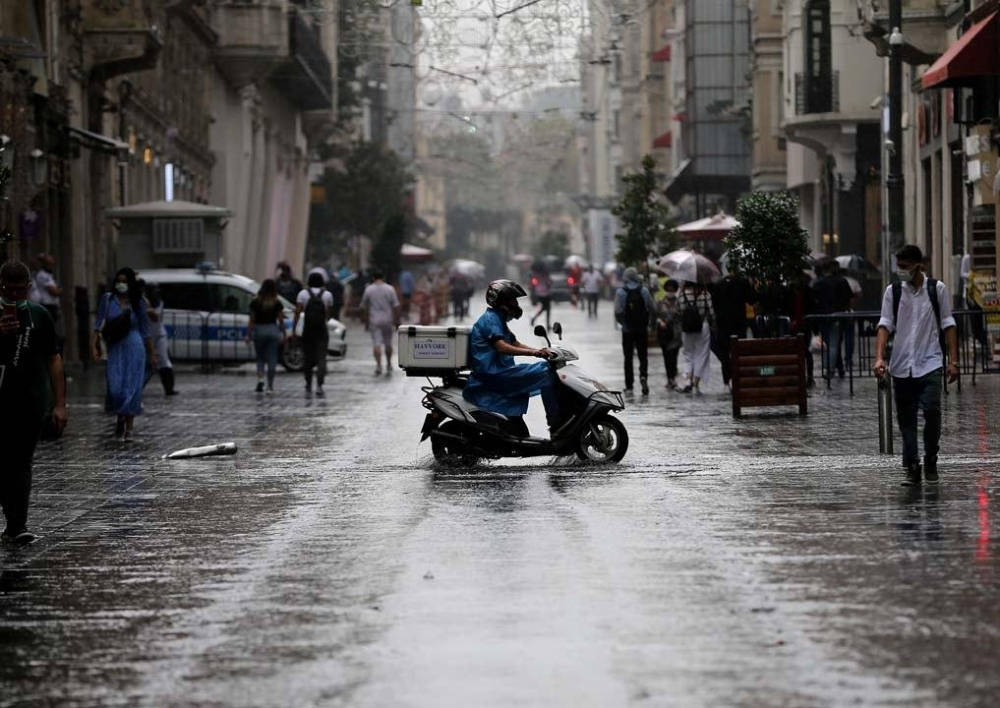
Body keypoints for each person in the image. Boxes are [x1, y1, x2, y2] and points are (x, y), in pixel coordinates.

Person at [874, 244, 959, 486]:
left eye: (904, 267)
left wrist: (953, 361)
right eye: (898, 266)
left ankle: (931, 456)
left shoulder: (937, 289)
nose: (900, 271)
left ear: (917, 265)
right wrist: (879, 357)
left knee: (932, 411)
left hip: (930, 362)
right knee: (907, 420)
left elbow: (948, 324)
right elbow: (884, 325)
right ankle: (912, 466)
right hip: (902, 366)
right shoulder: (893, 292)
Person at [0, 261, 67, 546]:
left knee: (21, 462)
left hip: (30, 400)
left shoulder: (39, 315)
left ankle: (18, 525)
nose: (14, 296)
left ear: (29, 287)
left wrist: (60, 404)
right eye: (8, 290)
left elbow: (53, 359)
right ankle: (12, 521)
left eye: (20, 290)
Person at [463, 280, 561, 436]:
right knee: (547, 373)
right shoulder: (491, 319)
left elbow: (514, 342)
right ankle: (556, 425)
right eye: (513, 300)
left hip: (501, 371)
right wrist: (534, 353)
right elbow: (501, 347)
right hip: (494, 374)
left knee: (546, 369)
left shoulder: (497, 318)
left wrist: (539, 350)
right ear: (502, 301)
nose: (516, 304)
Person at [92, 267, 156, 441]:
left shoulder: (139, 303)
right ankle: (120, 414)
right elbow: (98, 325)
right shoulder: (107, 299)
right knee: (115, 387)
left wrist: (152, 354)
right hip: (115, 346)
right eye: (119, 281)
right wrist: (94, 346)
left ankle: (129, 428)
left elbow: (145, 330)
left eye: (125, 282)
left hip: (135, 346)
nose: (121, 285)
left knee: (132, 386)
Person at [710, 268, 755, 388]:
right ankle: (739, 378)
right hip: (739, 322)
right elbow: (751, 300)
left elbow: (714, 305)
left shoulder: (718, 284)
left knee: (725, 353)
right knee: (739, 352)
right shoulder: (743, 282)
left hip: (723, 323)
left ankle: (727, 382)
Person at [614, 267, 655, 395]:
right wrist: (650, 324)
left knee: (628, 357)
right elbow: (652, 308)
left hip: (627, 331)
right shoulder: (644, 291)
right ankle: (643, 376)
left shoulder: (620, 292)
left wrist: (624, 324)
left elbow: (617, 311)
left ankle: (629, 385)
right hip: (642, 329)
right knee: (643, 356)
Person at [812, 262, 854, 382]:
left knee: (826, 345)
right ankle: (830, 369)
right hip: (837, 317)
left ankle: (828, 368)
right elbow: (849, 298)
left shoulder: (818, 283)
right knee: (834, 345)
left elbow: (814, 300)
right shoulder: (841, 281)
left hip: (823, 317)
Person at [293, 271, 333, 396]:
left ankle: (308, 383)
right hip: (321, 330)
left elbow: (297, 312)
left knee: (307, 357)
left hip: (308, 330)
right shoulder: (327, 295)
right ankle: (320, 386)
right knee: (322, 358)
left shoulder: (303, 294)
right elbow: (329, 313)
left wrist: (294, 328)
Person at [247, 278, 286, 393]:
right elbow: (280, 320)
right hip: (273, 330)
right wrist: (284, 333)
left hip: (259, 330)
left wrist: (248, 334)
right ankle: (270, 386)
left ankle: (260, 380)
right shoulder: (277, 302)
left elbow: (252, 320)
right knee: (272, 359)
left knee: (260, 358)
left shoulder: (255, 302)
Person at [360, 269, 401, 375]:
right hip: (388, 319)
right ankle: (389, 364)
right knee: (388, 343)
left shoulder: (369, 289)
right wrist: (397, 321)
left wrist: (365, 320)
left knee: (376, 343)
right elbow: (396, 306)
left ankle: (378, 365)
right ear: (383, 278)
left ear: (373, 278)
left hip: (374, 319)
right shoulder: (390, 289)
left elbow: (364, 306)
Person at [678, 281, 715, 394]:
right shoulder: (705, 294)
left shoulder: (682, 294)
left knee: (688, 354)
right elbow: (712, 313)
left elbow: (679, 311)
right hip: (703, 326)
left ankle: (688, 380)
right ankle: (696, 382)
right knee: (701, 354)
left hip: (687, 327)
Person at [144, 282, 178, 395]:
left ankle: (169, 389)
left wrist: (147, 309)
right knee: (143, 364)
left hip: (158, 336)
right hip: (144, 337)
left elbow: (155, 316)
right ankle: (137, 388)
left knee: (164, 362)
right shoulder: (140, 302)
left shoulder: (159, 303)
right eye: (153, 291)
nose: (156, 293)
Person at [655, 279, 683, 389]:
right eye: (668, 289)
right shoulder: (660, 302)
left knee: (673, 356)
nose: (670, 291)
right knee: (666, 357)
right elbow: (656, 315)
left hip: (676, 334)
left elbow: (681, 316)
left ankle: (673, 377)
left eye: (672, 289)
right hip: (664, 333)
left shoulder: (679, 302)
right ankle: (669, 378)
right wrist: (660, 321)